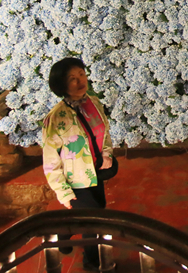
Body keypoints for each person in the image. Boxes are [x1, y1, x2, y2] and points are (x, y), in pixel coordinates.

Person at [42, 57, 115, 271]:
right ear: (62, 85)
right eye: (72, 78)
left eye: (81, 74)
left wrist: (108, 154)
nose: (80, 81)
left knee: (90, 214)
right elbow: (50, 160)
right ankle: (92, 264)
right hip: (76, 180)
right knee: (94, 220)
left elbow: (104, 134)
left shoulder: (93, 102)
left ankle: (63, 236)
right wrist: (62, 191)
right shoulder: (55, 118)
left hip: (96, 172)